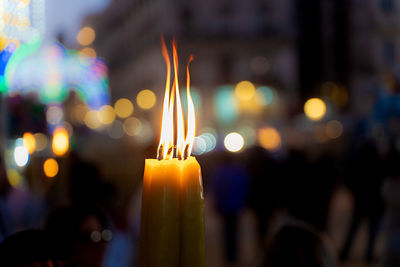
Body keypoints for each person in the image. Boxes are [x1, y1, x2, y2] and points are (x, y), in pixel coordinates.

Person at [211, 152, 248, 264]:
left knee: (227, 230)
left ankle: (228, 254)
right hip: (236, 205)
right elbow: (244, 186)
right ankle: (234, 254)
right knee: (235, 230)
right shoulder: (239, 171)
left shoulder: (220, 172)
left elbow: (217, 189)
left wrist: (217, 203)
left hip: (225, 205)